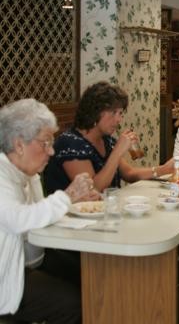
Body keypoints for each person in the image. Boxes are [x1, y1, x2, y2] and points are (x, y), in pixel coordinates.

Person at [0, 98, 100, 323]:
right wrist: (68, 196)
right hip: (7, 277)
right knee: (72, 303)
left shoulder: (27, 174)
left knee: (89, 276)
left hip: (29, 261)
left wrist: (72, 203)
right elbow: (18, 219)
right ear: (19, 145)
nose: (52, 151)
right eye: (45, 143)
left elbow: (38, 214)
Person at [43, 81, 178, 194]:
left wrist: (163, 169)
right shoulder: (70, 143)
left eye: (120, 113)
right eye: (113, 113)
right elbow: (93, 189)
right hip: (73, 218)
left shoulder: (106, 139)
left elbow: (129, 173)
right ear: (94, 112)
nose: (119, 119)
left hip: (106, 211)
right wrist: (118, 151)